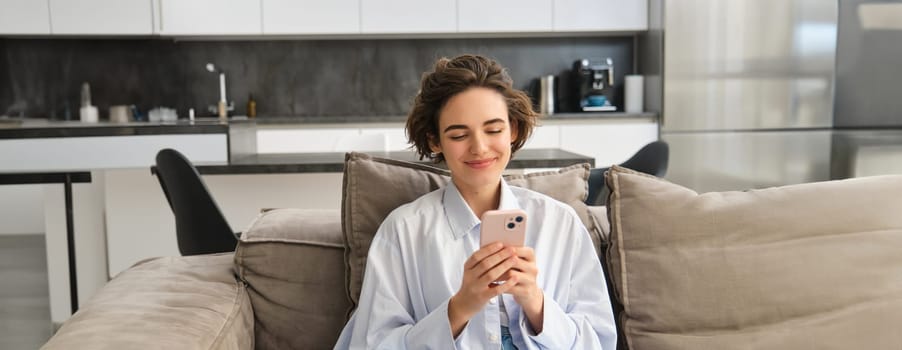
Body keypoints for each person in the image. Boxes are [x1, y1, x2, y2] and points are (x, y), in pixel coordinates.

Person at [334, 54, 616, 349]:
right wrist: (460, 308)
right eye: (458, 135)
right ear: (434, 141)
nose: (479, 148)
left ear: (513, 131)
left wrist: (535, 301)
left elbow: (598, 341)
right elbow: (373, 343)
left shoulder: (560, 224)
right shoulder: (403, 231)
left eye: (494, 130)